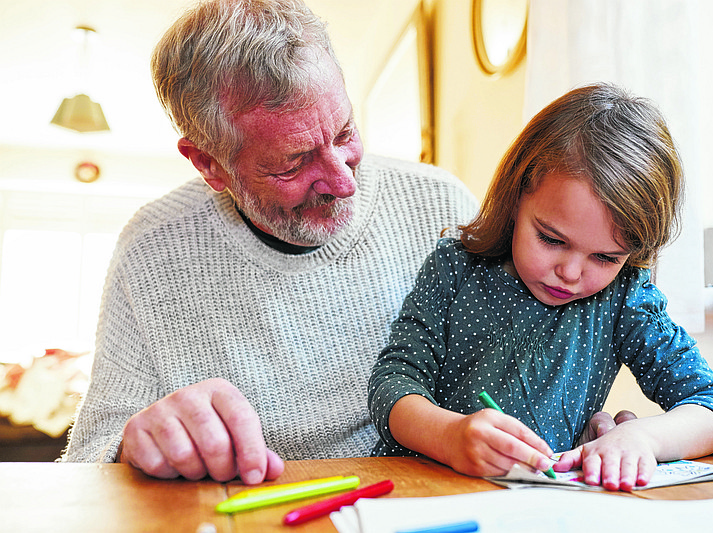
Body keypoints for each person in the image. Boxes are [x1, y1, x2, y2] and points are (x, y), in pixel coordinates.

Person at [61, 0, 479, 485]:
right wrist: (134, 444)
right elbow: (90, 456)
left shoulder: (443, 206)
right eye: (293, 164)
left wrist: (592, 423)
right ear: (210, 164)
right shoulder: (151, 250)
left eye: (345, 133)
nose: (344, 183)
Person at [368, 83, 713, 492]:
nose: (570, 272)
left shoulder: (624, 298)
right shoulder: (454, 267)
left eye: (605, 257)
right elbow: (393, 383)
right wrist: (449, 436)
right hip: (416, 490)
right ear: (516, 197)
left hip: (540, 506)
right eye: (551, 239)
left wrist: (642, 439)